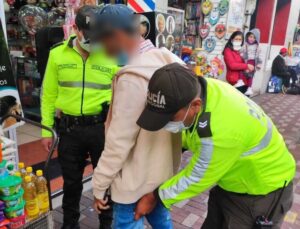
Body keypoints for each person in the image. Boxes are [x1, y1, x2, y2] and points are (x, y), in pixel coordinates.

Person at [135, 63, 295, 229]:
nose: (166, 124)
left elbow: (197, 176)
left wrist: (156, 197)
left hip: (262, 193)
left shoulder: (220, 131)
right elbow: (192, 130)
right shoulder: (202, 89)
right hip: (232, 183)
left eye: (170, 118)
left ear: (195, 106)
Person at [90, 4, 182, 228]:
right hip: (161, 174)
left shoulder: (133, 77)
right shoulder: (170, 61)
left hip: (133, 180)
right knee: (162, 223)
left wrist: (99, 185)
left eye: (102, 40)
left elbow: (119, 141)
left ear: (118, 35)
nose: (102, 47)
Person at [41, 5, 118, 229]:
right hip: (69, 130)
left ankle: (106, 223)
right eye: (90, 36)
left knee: (105, 182)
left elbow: (121, 95)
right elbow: (48, 94)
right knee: (71, 183)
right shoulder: (56, 55)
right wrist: (47, 129)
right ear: (75, 28)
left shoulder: (111, 55)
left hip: (100, 129)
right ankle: (70, 224)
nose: (95, 42)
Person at [243, 28, 263, 96]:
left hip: (252, 62)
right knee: (243, 74)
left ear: (256, 39)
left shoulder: (258, 47)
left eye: (254, 38)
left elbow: (260, 57)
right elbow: (242, 52)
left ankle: (249, 88)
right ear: (247, 36)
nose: (251, 39)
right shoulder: (245, 45)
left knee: (250, 76)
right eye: (250, 36)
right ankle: (242, 84)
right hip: (246, 61)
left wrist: (258, 65)